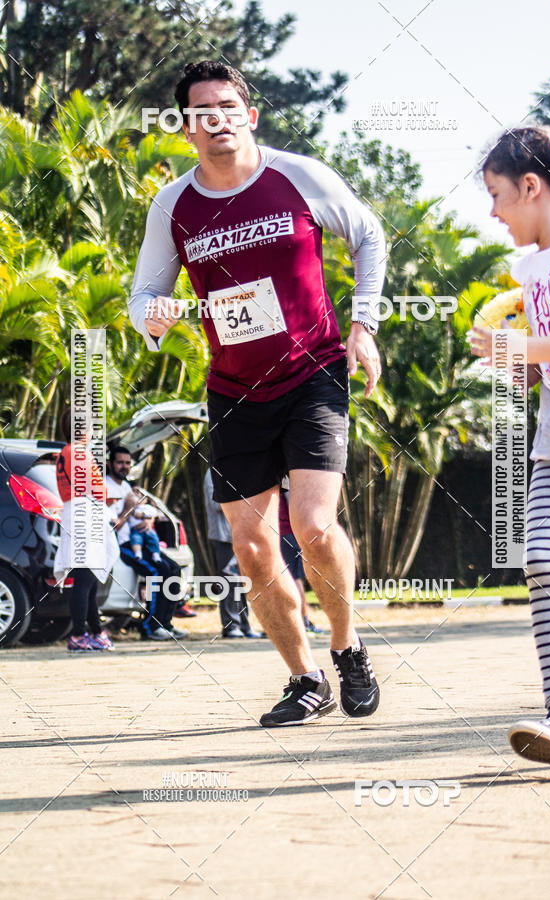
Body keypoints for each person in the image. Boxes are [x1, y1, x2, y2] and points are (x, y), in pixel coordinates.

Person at [129, 60, 385, 726]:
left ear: (249, 115)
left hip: (314, 373)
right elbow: (145, 293)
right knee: (249, 546)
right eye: (201, 112)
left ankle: (347, 646)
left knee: (314, 523)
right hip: (235, 389)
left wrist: (365, 325)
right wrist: (149, 316)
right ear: (187, 128)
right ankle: (305, 680)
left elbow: (368, 234)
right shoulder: (174, 205)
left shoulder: (296, 176)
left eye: (226, 106)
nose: (216, 120)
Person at [471, 125, 550, 767]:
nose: (492, 212)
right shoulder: (530, 266)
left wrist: (522, 348)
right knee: (545, 562)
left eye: (496, 195)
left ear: (530, 185)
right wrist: (522, 365)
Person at [106, 445, 187, 641]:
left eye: (127, 463)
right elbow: (113, 525)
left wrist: (148, 520)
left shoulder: (126, 487)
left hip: (142, 542)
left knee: (174, 570)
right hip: (124, 544)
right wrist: (128, 508)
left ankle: (166, 624)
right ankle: (151, 626)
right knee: (158, 572)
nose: (124, 467)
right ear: (110, 464)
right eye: (120, 463)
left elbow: (138, 513)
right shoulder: (105, 487)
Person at [54, 408, 118, 652]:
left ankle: (95, 632)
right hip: (85, 516)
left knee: (87, 581)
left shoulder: (65, 452)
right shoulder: (79, 453)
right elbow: (95, 489)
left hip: (74, 514)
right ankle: (80, 635)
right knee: (84, 581)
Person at [203, 468, 259, 638]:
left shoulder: (233, 468)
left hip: (240, 535)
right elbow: (215, 503)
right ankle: (230, 626)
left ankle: (244, 624)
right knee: (228, 580)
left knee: (241, 581)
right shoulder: (213, 472)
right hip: (223, 536)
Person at [279, 486, 323, 635]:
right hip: (280, 533)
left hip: (287, 532)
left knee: (293, 578)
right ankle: (295, 621)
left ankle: (302, 620)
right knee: (290, 578)